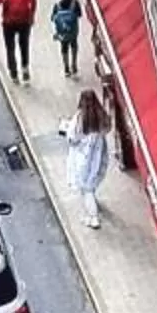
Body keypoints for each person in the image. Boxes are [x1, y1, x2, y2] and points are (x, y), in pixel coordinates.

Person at [61, 89, 110, 229]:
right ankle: (94, 204)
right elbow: (107, 129)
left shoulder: (80, 118)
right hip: (98, 155)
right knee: (92, 182)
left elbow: (72, 138)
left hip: (83, 157)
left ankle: (93, 217)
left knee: (85, 189)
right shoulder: (102, 116)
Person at [50, 0, 83, 81]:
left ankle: (66, 67)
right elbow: (79, 15)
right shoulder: (75, 3)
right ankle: (74, 64)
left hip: (62, 33)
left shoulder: (57, 6)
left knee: (64, 47)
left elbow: (52, 18)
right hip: (73, 31)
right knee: (74, 44)